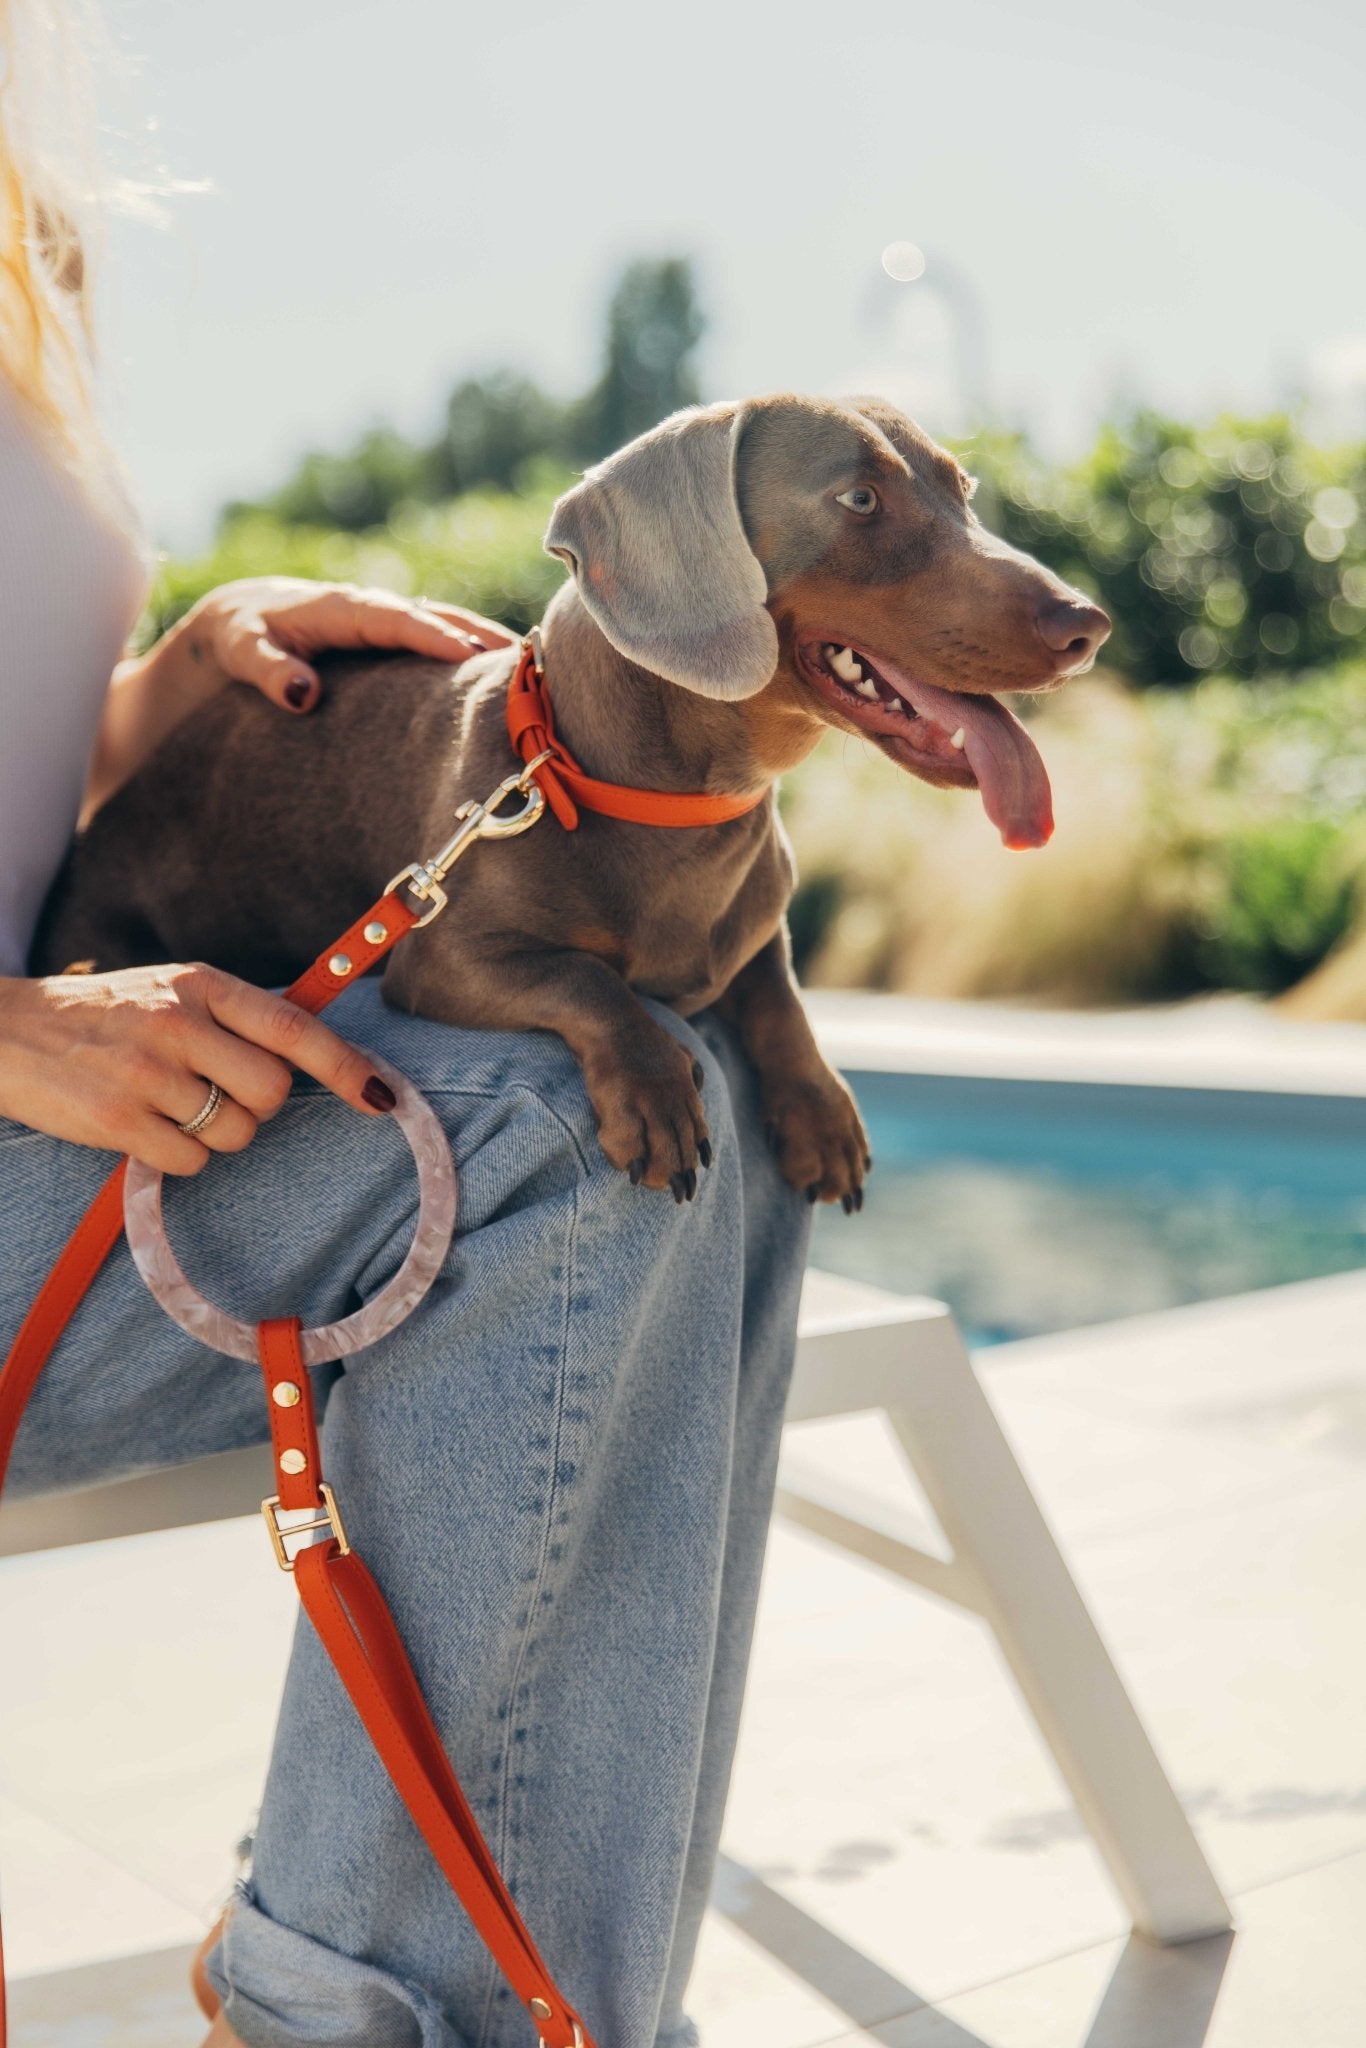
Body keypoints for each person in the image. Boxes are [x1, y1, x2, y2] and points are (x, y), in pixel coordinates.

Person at [0, 9, 810, 2046]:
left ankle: (482, 2004)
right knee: (549, 1122)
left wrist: (169, 686)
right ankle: (375, 2016)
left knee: (693, 1100)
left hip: (54, 1125)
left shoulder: (29, 244)